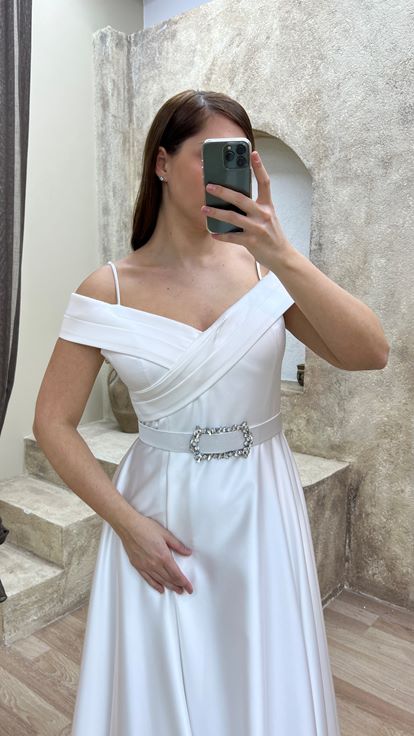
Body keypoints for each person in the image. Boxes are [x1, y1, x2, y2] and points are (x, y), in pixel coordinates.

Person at [33, 89, 389, 735]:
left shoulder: (265, 272)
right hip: (160, 511)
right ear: (162, 163)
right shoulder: (108, 289)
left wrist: (281, 252)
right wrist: (127, 525)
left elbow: (369, 353)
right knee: (165, 680)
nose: (228, 170)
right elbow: (52, 424)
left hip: (260, 502)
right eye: (210, 154)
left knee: (259, 665)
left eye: (241, 155)